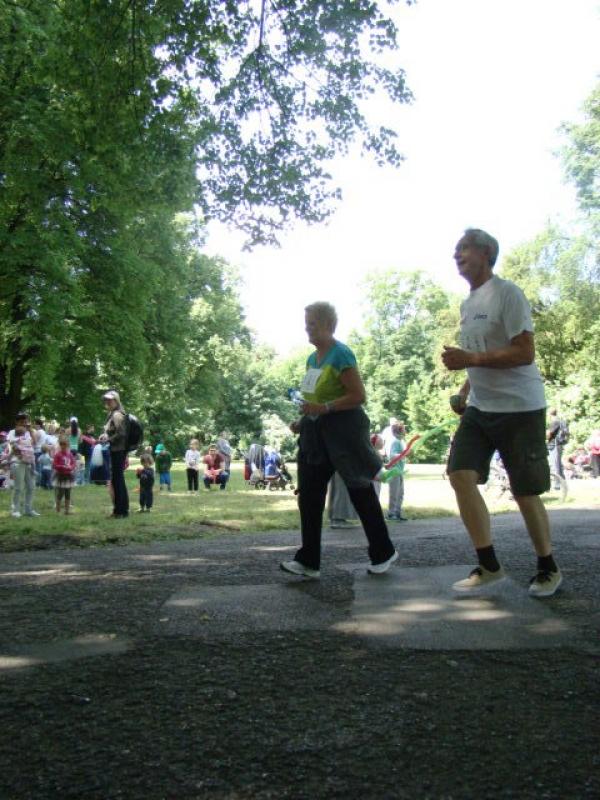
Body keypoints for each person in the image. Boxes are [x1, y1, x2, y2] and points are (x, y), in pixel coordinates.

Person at [442, 228, 562, 598]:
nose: (456, 254)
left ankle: (548, 568)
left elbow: (524, 352)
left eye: (463, 248)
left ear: (486, 253)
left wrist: (470, 359)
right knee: (459, 474)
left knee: (525, 491)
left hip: (519, 407)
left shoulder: (507, 293)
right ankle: (489, 565)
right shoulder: (468, 304)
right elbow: (480, 356)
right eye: (456, 249)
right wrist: (465, 391)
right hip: (481, 407)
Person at [281, 301, 397, 579]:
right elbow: (312, 400)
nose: (307, 329)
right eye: (306, 323)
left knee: (360, 490)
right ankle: (308, 561)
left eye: (312, 324)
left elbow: (358, 396)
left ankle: (383, 551)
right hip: (315, 436)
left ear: (328, 325)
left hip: (344, 434)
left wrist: (325, 408)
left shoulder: (341, 354)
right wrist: (302, 420)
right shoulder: (312, 359)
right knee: (309, 496)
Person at [102, 389, 129, 518]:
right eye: (106, 400)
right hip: (116, 450)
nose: (107, 402)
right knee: (117, 479)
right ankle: (121, 510)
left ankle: (120, 511)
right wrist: (105, 436)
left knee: (117, 480)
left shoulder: (117, 414)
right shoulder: (112, 414)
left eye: (110, 400)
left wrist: (109, 439)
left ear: (116, 401)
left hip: (118, 450)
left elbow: (122, 433)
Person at [7, 413, 39, 518]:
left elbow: (34, 443)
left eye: (25, 422)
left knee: (31, 486)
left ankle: (28, 509)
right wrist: (23, 452)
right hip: (18, 462)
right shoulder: (12, 432)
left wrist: (31, 431)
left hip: (29, 462)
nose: (24, 424)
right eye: (22, 422)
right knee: (18, 487)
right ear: (17, 422)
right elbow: (13, 446)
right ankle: (15, 510)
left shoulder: (28, 432)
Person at [385, 421, 408, 521]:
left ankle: (397, 513)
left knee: (400, 493)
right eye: (402, 430)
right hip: (394, 471)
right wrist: (402, 454)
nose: (404, 432)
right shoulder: (396, 442)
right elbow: (392, 455)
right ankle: (391, 514)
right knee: (394, 493)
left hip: (400, 471)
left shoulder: (400, 442)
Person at [52, 435, 77, 514]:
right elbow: (54, 465)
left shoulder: (70, 455)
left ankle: (67, 510)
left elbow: (73, 463)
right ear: (60, 445)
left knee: (68, 493)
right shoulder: (58, 455)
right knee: (60, 493)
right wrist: (61, 466)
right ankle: (58, 509)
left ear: (68, 446)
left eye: (65, 445)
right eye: (62, 445)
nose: (63, 447)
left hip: (68, 476)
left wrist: (71, 467)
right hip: (61, 476)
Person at [546, 408, 568, 489]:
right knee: (558, 464)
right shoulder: (560, 421)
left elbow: (549, 434)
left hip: (555, 445)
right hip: (559, 444)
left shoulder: (555, 422)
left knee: (555, 464)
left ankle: (557, 484)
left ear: (549, 414)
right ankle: (563, 482)